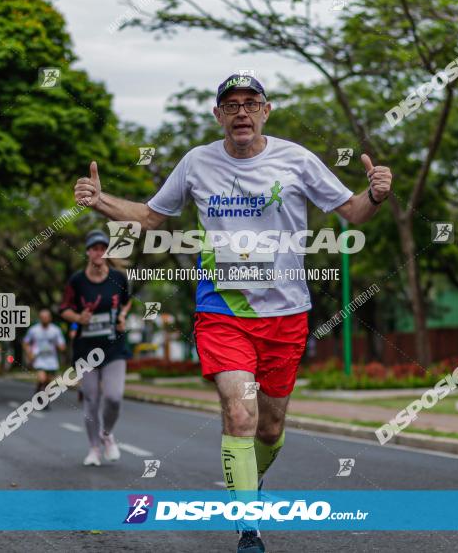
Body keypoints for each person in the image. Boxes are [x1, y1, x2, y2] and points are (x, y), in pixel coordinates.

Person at [73, 73, 392, 551]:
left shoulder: (297, 159)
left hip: (286, 314)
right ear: (218, 114)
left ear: (266, 110)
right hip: (223, 309)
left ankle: (249, 485)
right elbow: (151, 218)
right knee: (239, 412)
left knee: (270, 426)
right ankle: (249, 529)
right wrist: (101, 201)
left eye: (251, 102)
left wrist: (377, 194)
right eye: (232, 104)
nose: (241, 111)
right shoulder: (196, 162)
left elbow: (353, 213)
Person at [60, 230, 132, 467]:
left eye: (103, 248)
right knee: (91, 399)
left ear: (107, 251)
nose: (99, 252)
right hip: (86, 349)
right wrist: (79, 318)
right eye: (94, 248)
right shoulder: (77, 281)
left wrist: (121, 315)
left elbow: (127, 300)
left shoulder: (118, 278)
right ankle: (93, 449)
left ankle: (106, 434)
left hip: (114, 347)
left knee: (114, 397)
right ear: (88, 252)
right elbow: (64, 309)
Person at [23, 309, 66, 407]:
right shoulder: (34, 330)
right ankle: (40, 398)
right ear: (40, 318)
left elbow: (62, 345)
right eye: (43, 317)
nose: (45, 319)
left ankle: (42, 398)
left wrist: (61, 347)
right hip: (39, 359)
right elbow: (25, 342)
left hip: (51, 359)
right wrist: (29, 353)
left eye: (46, 317)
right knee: (42, 379)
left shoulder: (55, 330)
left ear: (50, 318)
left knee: (48, 382)